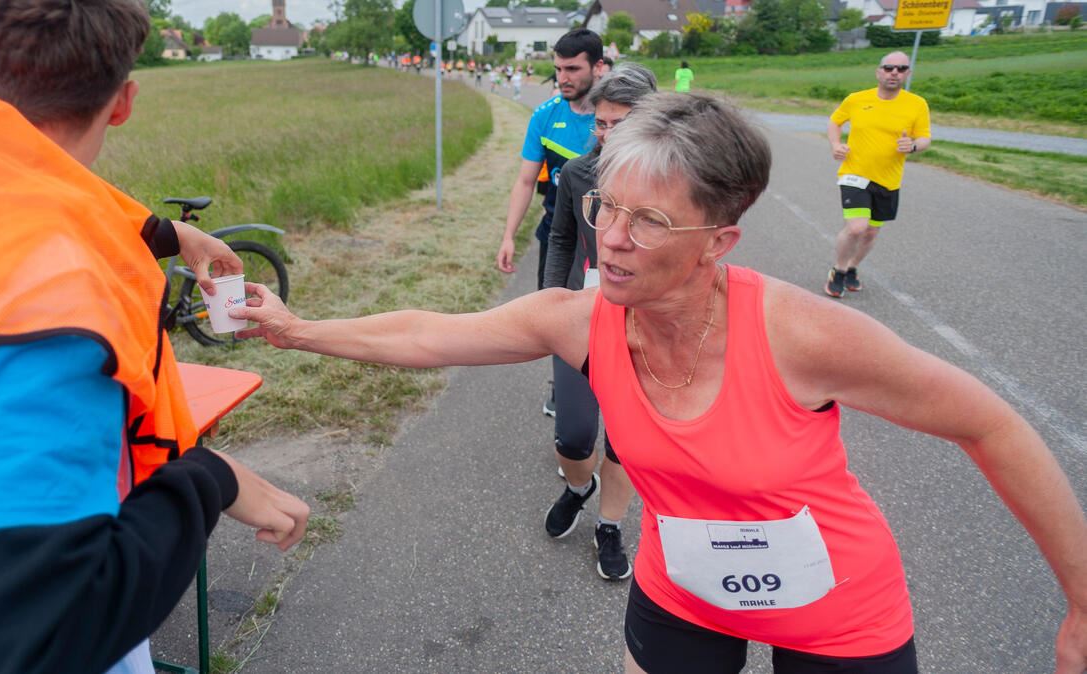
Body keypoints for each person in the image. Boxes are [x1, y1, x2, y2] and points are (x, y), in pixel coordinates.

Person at [230, 91, 1086, 674]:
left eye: (651, 221)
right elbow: (427, 333)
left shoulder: (807, 335)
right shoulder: (581, 318)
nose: (614, 238)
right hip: (683, 589)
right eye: (608, 207)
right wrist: (296, 329)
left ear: (719, 242)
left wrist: (1080, 606)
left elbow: (992, 426)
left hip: (837, 604)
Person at [0, 1, 310, 671]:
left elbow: (18, 186)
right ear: (123, 103)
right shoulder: (49, 304)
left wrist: (164, 233)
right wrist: (208, 478)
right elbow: (32, 639)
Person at [541, 62, 658, 581]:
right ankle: (576, 487)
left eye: (620, 124)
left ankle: (609, 526)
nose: (606, 134)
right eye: (601, 123)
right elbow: (561, 238)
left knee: (626, 442)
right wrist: (552, 301)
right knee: (572, 435)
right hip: (583, 315)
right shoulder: (578, 173)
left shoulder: (671, 180)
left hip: (647, 324)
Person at [494, 28, 603, 416]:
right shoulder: (545, 115)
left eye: (573, 68)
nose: (563, 78)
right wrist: (508, 235)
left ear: (599, 67)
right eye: (558, 68)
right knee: (558, 314)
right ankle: (565, 385)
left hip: (608, 240)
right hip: (558, 235)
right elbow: (526, 180)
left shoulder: (616, 117)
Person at [824, 51, 930, 298]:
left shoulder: (916, 104)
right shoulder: (857, 99)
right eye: (889, 67)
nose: (895, 72)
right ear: (878, 71)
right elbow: (834, 122)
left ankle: (852, 267)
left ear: (908, 74)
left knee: (871, 232)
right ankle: (838, 271)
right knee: (856, 228)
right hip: (854, 174)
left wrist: (913, 146)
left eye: (901, 69)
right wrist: (835, 145)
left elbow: (925, 137)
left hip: (889, 179)